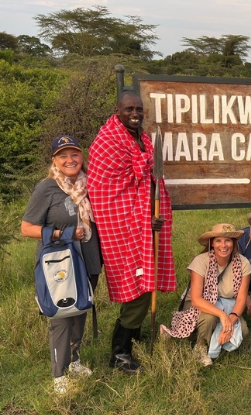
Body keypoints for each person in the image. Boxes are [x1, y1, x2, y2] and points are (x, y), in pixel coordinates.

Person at [87, 91, 176, 374]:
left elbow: (147, 181)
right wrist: (140, 220)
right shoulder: (108, 142)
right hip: (123, 229)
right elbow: (107, 193)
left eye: (138, 108)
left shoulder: (143, 139)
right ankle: (120, 353)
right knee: (136, 288)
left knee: (145, 282)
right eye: (129, 109)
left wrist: (152, 216)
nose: (135, 113)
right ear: (118, 110)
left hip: (146, 223)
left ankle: (133, 336)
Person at [22, 135, 102, 394]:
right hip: (59, 263)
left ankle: (74, 359)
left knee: (79, 311)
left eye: (75, 154)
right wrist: (60, 234)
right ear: (55, 160)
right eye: (63, 155)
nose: (70, 160)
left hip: (88, 259)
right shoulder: (47, 188)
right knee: (61, 316)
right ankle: (59, 374)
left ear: (82, 156)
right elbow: (27, 228)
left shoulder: (90, 185)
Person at [161, 224, 251, 366]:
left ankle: (210, 335)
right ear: (212, 243)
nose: (223, 245)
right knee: (210, 317)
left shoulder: (244, 263)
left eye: (228, 241)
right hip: (200, 302)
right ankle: (200, 347)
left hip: (227, 303)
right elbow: (197, 299)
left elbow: (241, 299)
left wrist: (230, 322)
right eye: (218, 241)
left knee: (243, 330)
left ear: (234, 243)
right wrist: (222, 316)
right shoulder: (201, 261)